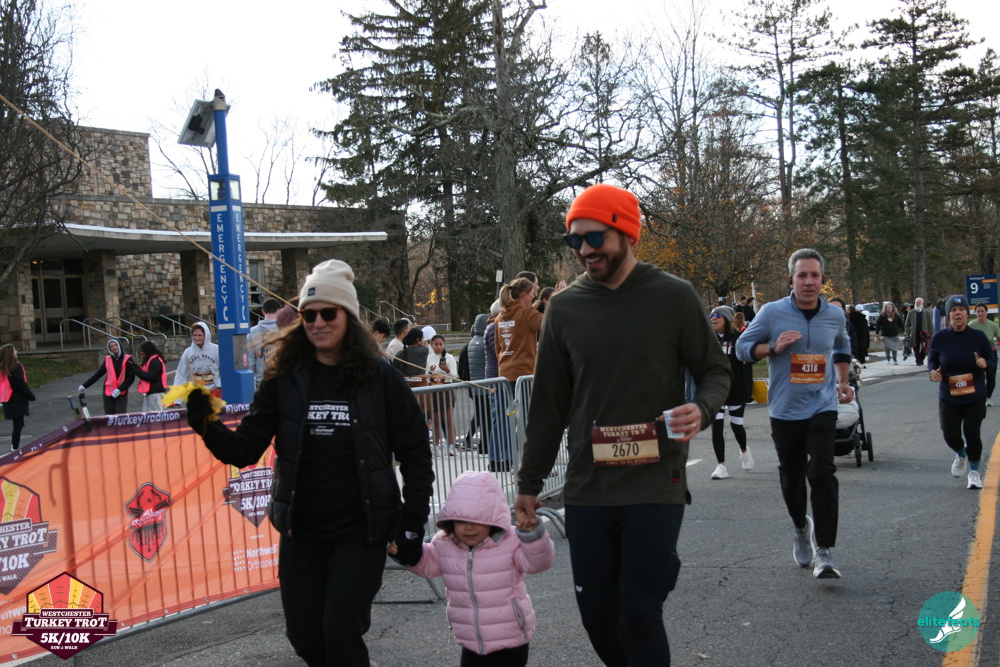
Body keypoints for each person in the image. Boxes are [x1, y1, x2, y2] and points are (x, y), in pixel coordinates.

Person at [515, 183, 730, 667]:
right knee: (597, 616)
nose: (584, 250)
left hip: (655, 478)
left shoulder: (674, 296)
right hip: (589, 484)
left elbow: (716, 371)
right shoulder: (564, 308)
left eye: (595, 238)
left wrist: (702, 408)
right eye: (574, 240)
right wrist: (529, 484)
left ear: (627, 233)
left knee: (639, 612)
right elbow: (548, 406)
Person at [184, 259, 434, 667]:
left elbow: (416, 452)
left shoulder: (379, 376)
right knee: (304, 637)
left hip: (361, 530)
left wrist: (411, 522)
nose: (318, 322)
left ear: (348, 316)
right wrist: (206, 424)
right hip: (302, 531)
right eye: (308, 314)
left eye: (328, 313)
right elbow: (244, 450)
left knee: (340, 631)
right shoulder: (284, 376)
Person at [736, 248, 854, 579]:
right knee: (792, 475)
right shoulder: (772, 312)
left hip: (822, 405)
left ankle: (825, 551)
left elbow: (842, 346)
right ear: (791, 279)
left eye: (815, 275)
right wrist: (772, 347)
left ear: (823, 280)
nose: (809, 281)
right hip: (786, 410)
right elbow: (742, 348)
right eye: (802, 275)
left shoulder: (834, 315)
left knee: (821, 470)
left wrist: (843, 381)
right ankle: (801, 528)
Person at [390, 471, 554, 666]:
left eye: (478, 521)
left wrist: (533, 536)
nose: (469, 528)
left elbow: (538, 563)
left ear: (493, 518)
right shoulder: (444, 542)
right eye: (461, 521)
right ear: (451, 520)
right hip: (471, 638)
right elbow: (426, 565)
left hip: (511, 635)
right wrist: (403, 553)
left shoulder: (510, 540)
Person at [929, 295, 994, 489]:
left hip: (974, 395)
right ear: (948, 315)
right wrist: (932, 372)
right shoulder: (940, 338)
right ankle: (961, 453)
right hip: (949, 395)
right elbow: (932, 360)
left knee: (972, 434)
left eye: (961, 310)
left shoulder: (978, 337)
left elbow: (992, 362)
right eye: (954, 310)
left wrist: (984, 363)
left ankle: (974, 472)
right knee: (950, 434)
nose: (958, 313)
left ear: (967, 314)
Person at [708, 305, 754, 479]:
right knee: (717, 426)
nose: (713, 319)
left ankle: (744, 450)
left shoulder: (738, 338)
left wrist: (748, 359)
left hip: (735, 388)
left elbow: (750, 355)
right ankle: (721, 466)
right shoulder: (708, 338)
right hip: (716, 390)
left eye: (717, 316)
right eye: (711, 316)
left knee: (736, 426)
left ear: (727, 319)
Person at [458, 314, 491, 454]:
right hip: (483, 384)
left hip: (474, 384)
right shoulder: (482, 343)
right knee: (484, 415)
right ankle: (483, 444)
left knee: (480, 414)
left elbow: (462, 369)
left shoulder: (470, 344)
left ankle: (475, 442)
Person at [78, 338, 134, 415]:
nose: (114, 347)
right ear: (109, 349)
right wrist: (85, 385)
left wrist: (119, 389)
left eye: (115, 345)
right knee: (109, 416)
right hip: (108, 392)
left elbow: (130, 378)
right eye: (111, 346)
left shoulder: (128, 359)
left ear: (119, 345)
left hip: (121, 392)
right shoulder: (108, 360)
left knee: (120, 416)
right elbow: (98, 374)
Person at [427, 334, 459, 454]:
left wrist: (447, 370)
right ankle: (435, 447)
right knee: (435, 421)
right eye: (436, 344)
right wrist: (430, 372)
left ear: (444, 345)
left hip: (446, 390)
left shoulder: (449, 357)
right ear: (431, 345)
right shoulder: (429, 358)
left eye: (441, 344)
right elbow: (425, 375)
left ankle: (451, 445)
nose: (438, 347)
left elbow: (454, 376)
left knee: (448, 420)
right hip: (433, 391)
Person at [0, 344, 35, 450]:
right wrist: (30, 395)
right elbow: (20, 382)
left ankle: (14, 446)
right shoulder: (16, 366)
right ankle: (14, 448)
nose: (16, 352)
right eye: (14, 350)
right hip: (17, 399)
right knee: (18, 425)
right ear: (10, 353)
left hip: (7, 398)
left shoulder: (3, 368)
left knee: (18, 423)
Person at [174, 322, 221, 397]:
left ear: (206, 335)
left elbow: (225, 371)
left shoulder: (216, 349)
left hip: (215, 391)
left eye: (200, 335)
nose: (197, 338)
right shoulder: (188, 352)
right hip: (196, 393)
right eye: (194, 335)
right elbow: (181, 375)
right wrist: (177, 399)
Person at [968, 304, 1000, 407]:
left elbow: (998, 337)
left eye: (982, 311)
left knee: (991, 377)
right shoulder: (971, 325)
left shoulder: (993, 325)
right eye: (978, 311)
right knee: (978, 376)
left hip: (991, 353)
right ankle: (978, 397)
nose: (980, 313)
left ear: (986, 312)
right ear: (975, 313)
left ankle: (988, 397)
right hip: (977, 354)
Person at [248, 298, 282, 387]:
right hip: (283, 383)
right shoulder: (286, 331)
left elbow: (249, 363)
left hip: (261, 384)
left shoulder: (252, 332)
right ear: (279, 311)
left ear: (263, 311)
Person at [130, 341, 168, 412]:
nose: (141, 353)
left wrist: (136, 370)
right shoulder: (152, 360)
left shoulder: (155, 361)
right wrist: (135, 367)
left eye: (142, 351)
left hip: (155, 393)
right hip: (151, 392)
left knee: (155, 416)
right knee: (149, 415)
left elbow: (149, 377)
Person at [905, 297, 935, 366]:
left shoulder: (926, 312)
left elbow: (930, 324)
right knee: (915, 347)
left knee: (925, 347)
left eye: (919, 303)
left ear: (922, 303)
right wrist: (907, 333)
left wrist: (932, 334)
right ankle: (918, 360)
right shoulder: (911, 312)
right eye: (916, 303)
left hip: (924, 333)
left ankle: (921, 358)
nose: (917, 304)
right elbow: (907, 324)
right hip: (914, 332)